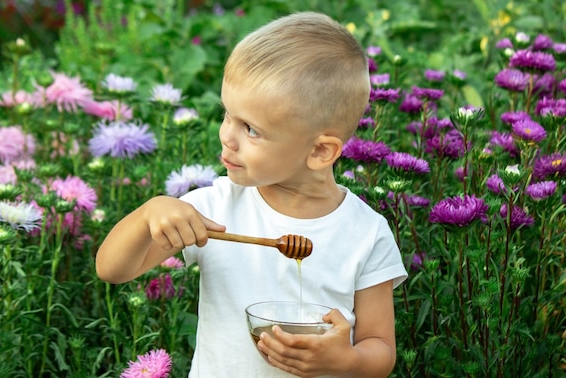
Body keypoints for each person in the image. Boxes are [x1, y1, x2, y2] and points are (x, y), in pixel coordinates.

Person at [96, 11, 407, 378]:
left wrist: (346, 360)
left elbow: (380, 348)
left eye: (251, 129)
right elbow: (112, 269)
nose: (227, 136)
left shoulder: (366, 232)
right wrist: (149, 214)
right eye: (227, 115)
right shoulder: (214, 209)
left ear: (320, 151)